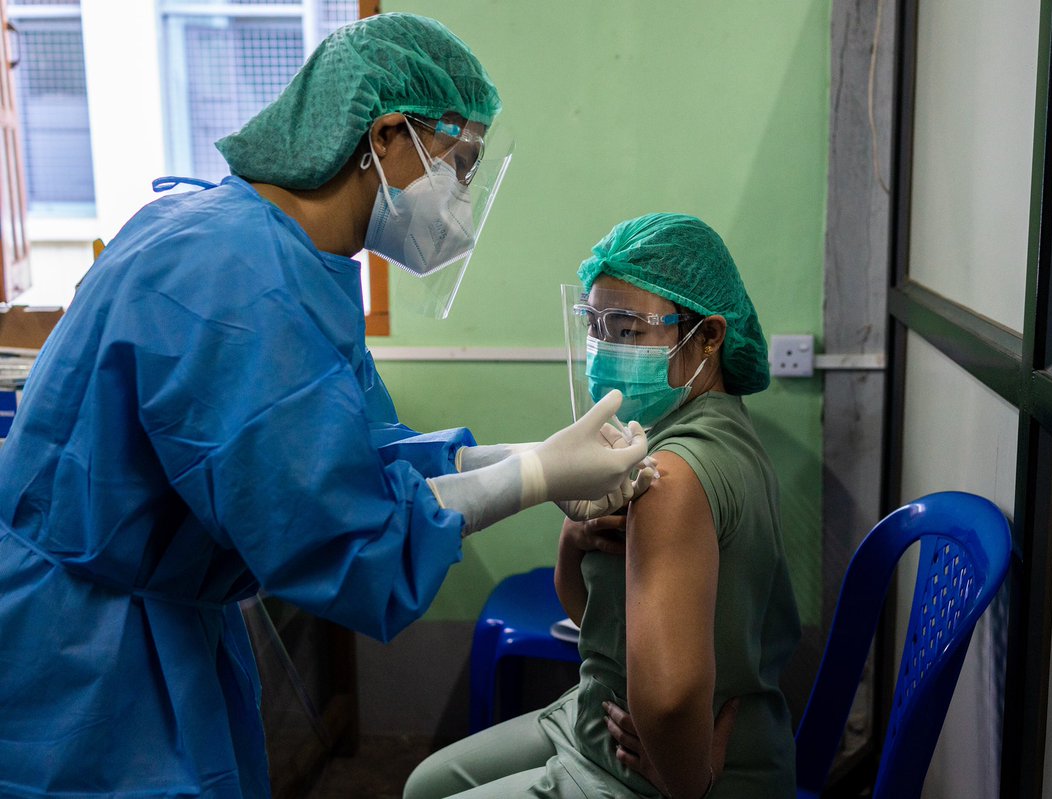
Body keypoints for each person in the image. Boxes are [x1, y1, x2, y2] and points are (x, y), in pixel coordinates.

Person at [0, 14, 650, 799]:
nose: (464, 200)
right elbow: (345, 535)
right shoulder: (236, 278)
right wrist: (537, 476)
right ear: (384, 137)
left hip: (149, 627)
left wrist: (530, 456)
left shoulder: (278, 253)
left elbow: (357, 457)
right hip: (82, 659)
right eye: (461, 164)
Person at [403, 213, 803, 799]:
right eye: (595, 325)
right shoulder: (666, 436)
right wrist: (574, 536)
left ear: (711, 336)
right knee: (424, 786)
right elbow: (596, 618)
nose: (604, 348)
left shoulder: (672, 474)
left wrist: (690, 780)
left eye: (627, 329)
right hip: (598, 719)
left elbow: (667, 702)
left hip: (660, 770)